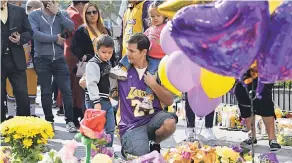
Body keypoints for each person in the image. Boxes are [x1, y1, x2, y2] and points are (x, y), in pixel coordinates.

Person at [117, 33, 177, 157]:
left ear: (144, 52)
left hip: (152, 120)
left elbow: (169, 101)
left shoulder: (157, 71)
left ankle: (155, 142)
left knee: (169, 123)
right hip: (132, 125)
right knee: (141, 156)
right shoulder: (121, 71)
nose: (127, 54)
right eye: (127, 50)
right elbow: (103, 73)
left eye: (132, 51)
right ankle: (132, 145)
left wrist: (154, 85)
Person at [28, 0, 77, 132]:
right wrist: (55, 38)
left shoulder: (61, 13)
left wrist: (58, 13)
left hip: (59, 59)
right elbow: (35, 34)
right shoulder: (34, 15)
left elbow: (72, 27)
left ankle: (70, 121)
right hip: (42, 59)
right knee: (46, 91)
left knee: (67, 90)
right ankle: (49, 120)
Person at [111, 1, 167, 111]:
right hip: (148, 55)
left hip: (159, 59)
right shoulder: (149, 29)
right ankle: (121, 68)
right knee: (131, 52)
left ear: (164, 15)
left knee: (149, 78)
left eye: (158, 16)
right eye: (152, 16)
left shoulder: (166, 28)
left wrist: (162, 42)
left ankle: (147, 100)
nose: (155, 18)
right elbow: (142, 38)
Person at [71, 2, 116, 109]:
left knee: (105, 93)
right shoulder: (82, 30)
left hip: (105, 67)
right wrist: (84, 56)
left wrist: (113, 64)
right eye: (88, 12)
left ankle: (107, 119)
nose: (92, 15)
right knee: (89, 92)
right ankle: (89, 118)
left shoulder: (105, 30)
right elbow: (74, 46)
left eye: (94, 12)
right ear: (84, 15)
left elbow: (111, 48)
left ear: (98, 13)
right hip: (90, 66)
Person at [6, 0, 42, 119]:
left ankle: (27, 120)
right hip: (8, 60)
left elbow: (30, 33)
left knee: (26, 92)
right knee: (7, 92)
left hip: (24, 61)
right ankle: (7, 119)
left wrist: (21, 38)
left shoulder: (22, 13)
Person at [234, 62, 281, 151]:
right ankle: (252, 136)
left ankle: (272, 139)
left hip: (262, 69)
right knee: (244, 101)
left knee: (264, 102)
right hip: (242, 69)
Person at [58, 0, 88, 127]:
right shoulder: (75, 15)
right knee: (77, 87)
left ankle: (69, 112)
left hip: (68, 52)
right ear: (81, 4)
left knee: (69, 86)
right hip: (75, 54)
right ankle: (76, 115)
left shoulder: (66, 12)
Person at [1, 0, 32, 122]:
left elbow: (29, 32)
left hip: (16, 60)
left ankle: (23, 127)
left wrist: (21, 38)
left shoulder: (19, 10)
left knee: (22, 94)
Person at [85, 35, 116, 147]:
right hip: (96, 100)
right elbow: (91, 84)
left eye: (110, 52)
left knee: (110, 127)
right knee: (96, 129)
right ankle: (96, 152)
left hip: (106, 100)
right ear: (96, 50)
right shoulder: (93, 64)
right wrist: (96, 102)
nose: (107, 55)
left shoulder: (107, 62)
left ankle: (108, 151)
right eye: (104, 52)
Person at [110, 0, 151, 77]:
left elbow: (149, 32)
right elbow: (122, 35)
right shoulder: (127, 10)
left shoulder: (146, 5)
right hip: (125, 58)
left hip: (139, 58)